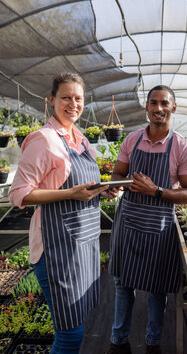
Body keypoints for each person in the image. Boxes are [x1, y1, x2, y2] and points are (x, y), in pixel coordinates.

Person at [8, 72, 119, 354]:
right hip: (55, 250)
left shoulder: (81, 140)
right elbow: (18, 193)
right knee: (70, 335)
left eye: (78, 98)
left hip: (81, 245)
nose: (73, 104)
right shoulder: (43, 140)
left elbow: (83, 184)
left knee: (75, 325)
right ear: (52, 100)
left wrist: (102, 190)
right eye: (66, 97)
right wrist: (70, 193)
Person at [105, 85, 187, 354]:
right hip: (129, 220)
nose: (158, 108)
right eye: (153, 103)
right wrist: (116, 186)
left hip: (158, 226)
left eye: (164, 103)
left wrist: (155, 190)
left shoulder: (182, 147)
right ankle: (118, 341)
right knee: (123, 284)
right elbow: (118, 173)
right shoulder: (131, 140)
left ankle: (152, 343)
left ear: (173, 107)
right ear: (146, 107)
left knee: (156, 288)